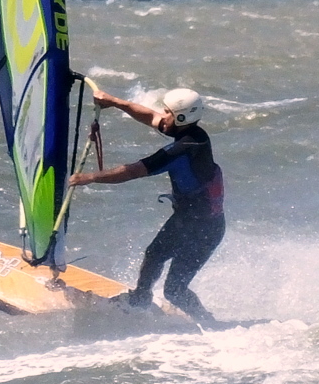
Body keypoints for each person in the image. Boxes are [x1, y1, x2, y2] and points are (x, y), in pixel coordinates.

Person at [68, 87, 224, 322]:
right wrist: (114, 101)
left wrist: (90, 178)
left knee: (173, 289)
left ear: (181, 117)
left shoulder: (183, 149)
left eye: (168, 112)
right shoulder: (191, 132)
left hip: (202, 229)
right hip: (194, 222)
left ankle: (208, 323)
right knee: (154, 255)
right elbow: (151, 117)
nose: (163, 114)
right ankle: (140, 299)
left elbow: (133, 171)